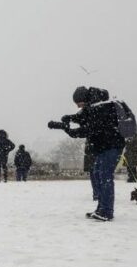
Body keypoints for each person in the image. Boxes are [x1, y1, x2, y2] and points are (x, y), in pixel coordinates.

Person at [48, 86, 126, 221]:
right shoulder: (93, 106)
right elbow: (83, 117)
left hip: (111, 146)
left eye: (78, 103)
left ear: (83, 99)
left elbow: (88, 129)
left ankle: (106, 211)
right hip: (104, 147)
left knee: (105, 176)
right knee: (97, 173)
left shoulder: (100, 107)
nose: (78, 106)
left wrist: (68, 130)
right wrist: (69, 119)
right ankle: (101, 208)